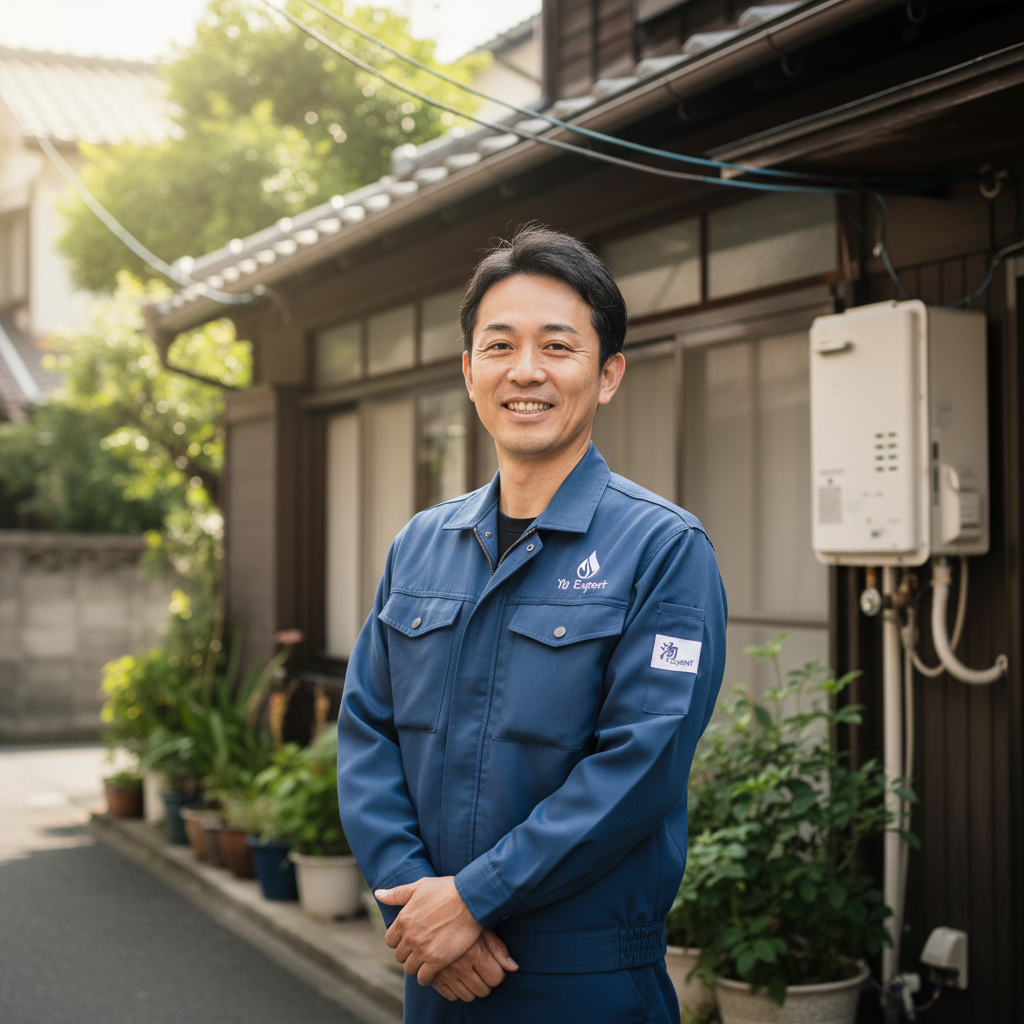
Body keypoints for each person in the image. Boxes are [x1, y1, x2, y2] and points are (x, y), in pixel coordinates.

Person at [337, 225, 727, 1023]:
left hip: (585, 979)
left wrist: (473, 900)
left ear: (608, 373)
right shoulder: (420, 545)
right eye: (500, 345)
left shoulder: (663, 548)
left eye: (558, 347)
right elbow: (366, 736)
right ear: (468, 370)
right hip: (436, 973)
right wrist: (419, 913)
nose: (525, 371)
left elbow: (640, 768)